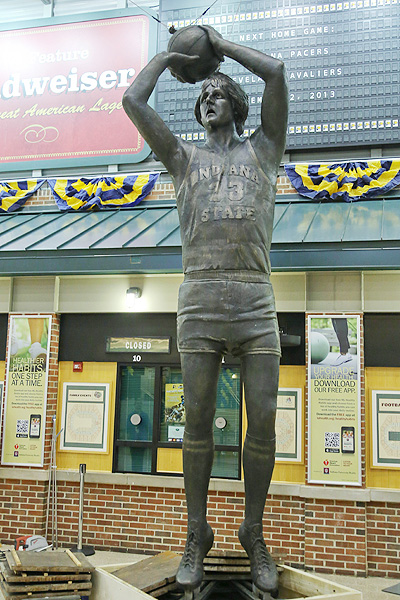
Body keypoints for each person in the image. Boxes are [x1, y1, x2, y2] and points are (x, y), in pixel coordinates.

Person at [123, 26, 288, 596]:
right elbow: (132, 101)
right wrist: (171, 57)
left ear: (235, 104)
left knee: (262, 421)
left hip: (253, 297)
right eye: (201, 96)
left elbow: (276, 72)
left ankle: (253, 531)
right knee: (196, 426)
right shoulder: (182, 159)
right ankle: (198, 532)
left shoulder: (265, 150)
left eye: (217, 93)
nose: (207, 100)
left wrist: (217, 45)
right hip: (199, 299)